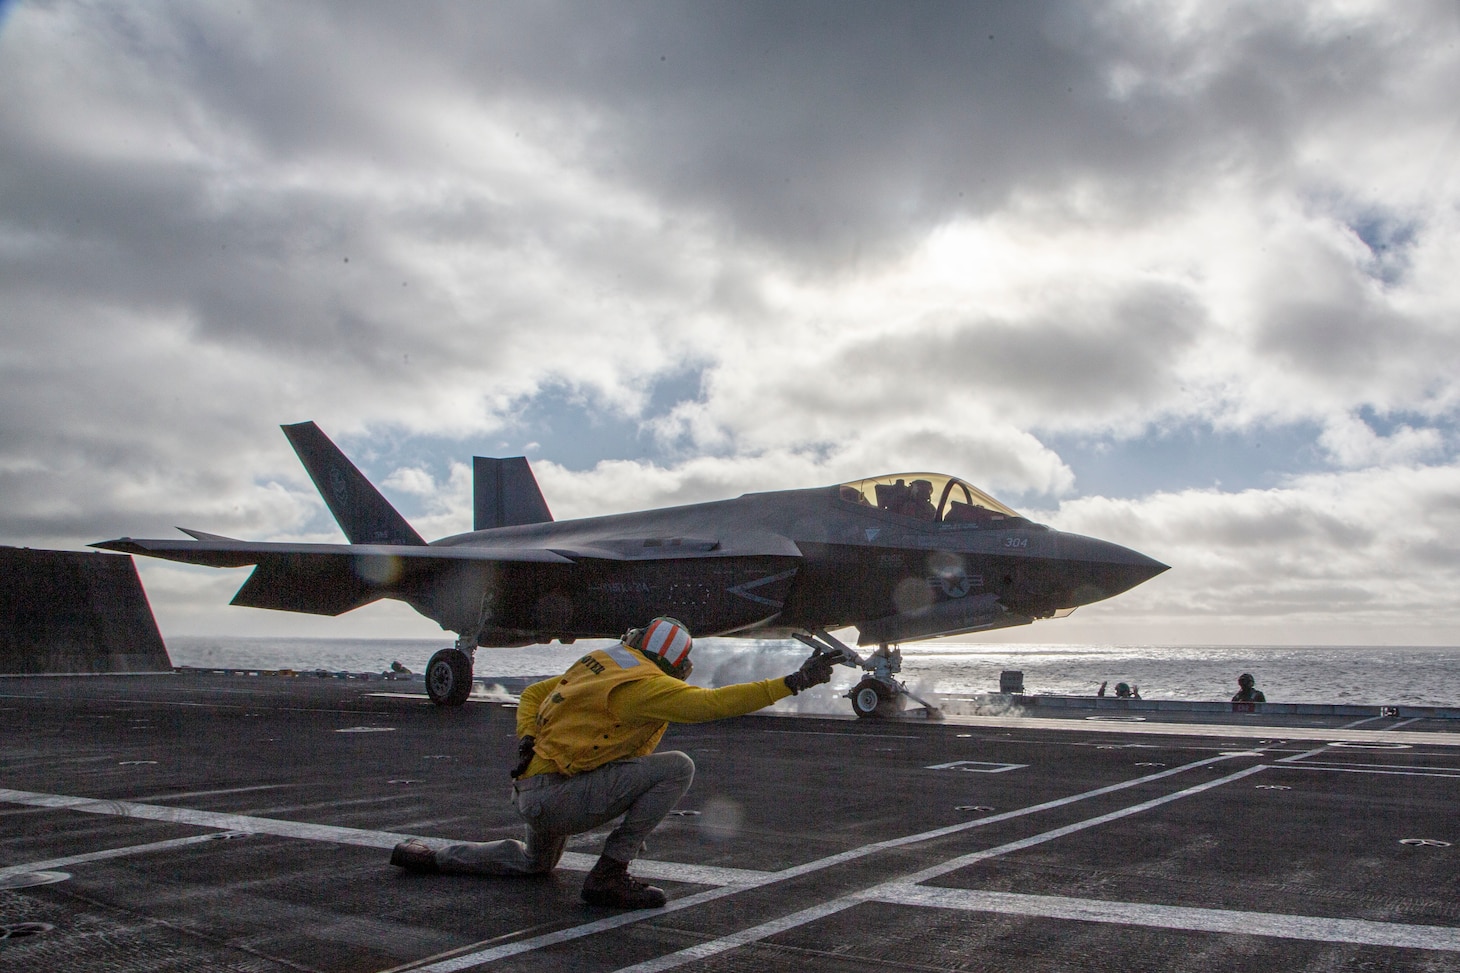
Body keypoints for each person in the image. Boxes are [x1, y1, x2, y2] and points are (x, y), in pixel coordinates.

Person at [388, 616, 836, 909]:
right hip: (562, 798)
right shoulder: (648, 686)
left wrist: (527, 737)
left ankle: (435, 857)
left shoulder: (601, 661)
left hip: (533, 790)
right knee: (677, 767)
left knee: (533, 865)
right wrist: (794, 682)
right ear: (674, 662)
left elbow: (533, 694)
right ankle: (610, 873)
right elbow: (713, 704)